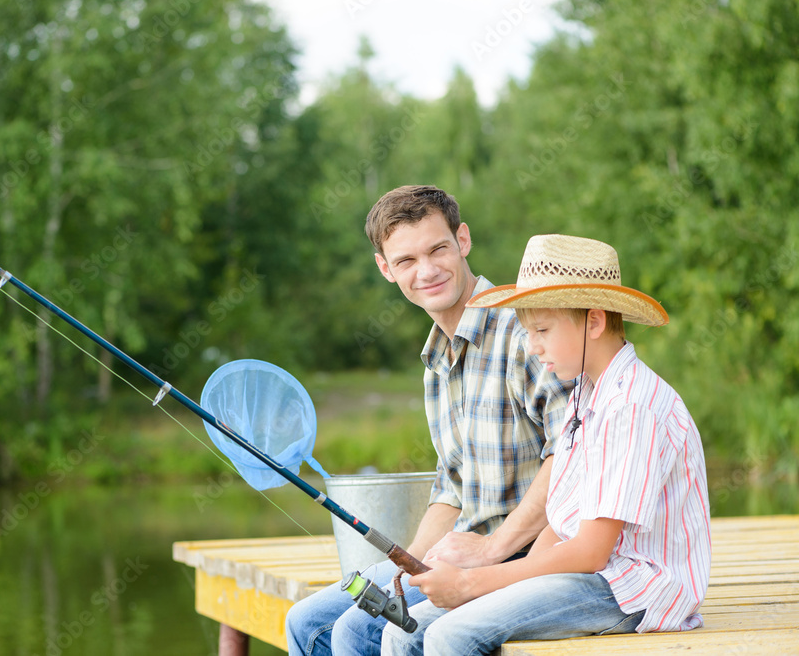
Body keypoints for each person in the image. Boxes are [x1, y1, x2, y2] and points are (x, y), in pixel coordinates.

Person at [382, 234, 712, 655]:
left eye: (541, 330)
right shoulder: (585, 393)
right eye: (527, 331)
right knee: (405, 630)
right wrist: (509, 581)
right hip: (587, 576)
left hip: (633, 587)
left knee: (451, 634)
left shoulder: (631, 406)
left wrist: (472, 583)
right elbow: (560, 521)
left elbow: (592, 551)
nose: (533, 347)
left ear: (594, 321)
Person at [286, 186, 573, 656]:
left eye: (438, 248)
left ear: (462, 240)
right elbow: (451, 487)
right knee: (305, 622)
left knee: (355, 632)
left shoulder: (525, 332)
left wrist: (491, 549)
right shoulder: (435, 361)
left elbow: (570, 456)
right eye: (406, 261)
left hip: (524, 554)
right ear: (385, 268)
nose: (427, 271)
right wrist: (410, 568)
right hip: (462, 551)